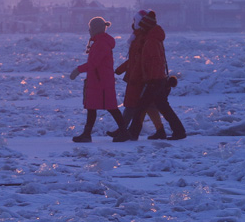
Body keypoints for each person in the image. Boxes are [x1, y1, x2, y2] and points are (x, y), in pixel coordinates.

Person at [126, 10, 187, 141]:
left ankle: (133, 133)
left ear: (146, 26)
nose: (140, 28)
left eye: (142, 26)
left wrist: (151, 80)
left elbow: (154, 61)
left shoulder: (151, 41)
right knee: (163, 106)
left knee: (141, 106)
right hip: (159, 79)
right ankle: (179, 131)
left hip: (154, 80)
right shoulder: (154, 38)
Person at [69, 17, 127, 143]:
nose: (89, 31)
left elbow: (94, 63)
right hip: (98, 80)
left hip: (102, 82)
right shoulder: (99, 42)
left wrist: (78, 70)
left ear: (95, 29)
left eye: (90, 28)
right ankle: (87, 134)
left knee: (111, 107)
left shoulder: (101, 44)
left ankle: (124, 132)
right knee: (92, 107)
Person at [112, 10, 167, 141]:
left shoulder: (143, 38)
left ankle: (125, 131)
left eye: (134, 21)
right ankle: (159, 130)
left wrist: (138, 75)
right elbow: (134, 58)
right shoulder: (139, 36)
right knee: (147, 105)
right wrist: (121, 69)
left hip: (140, 76)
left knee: (135, 105)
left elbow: (140, 59)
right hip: (139, 75)